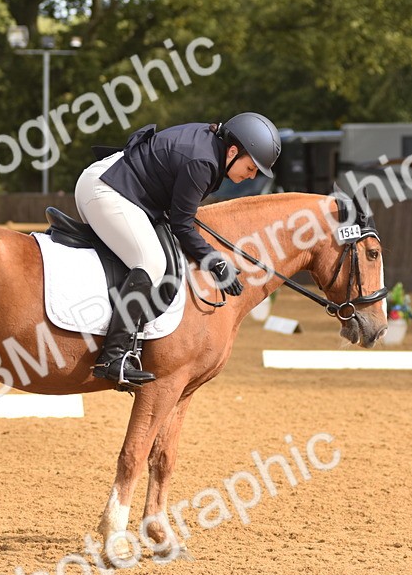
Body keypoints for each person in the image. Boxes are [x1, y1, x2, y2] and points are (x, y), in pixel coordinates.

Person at [74, 113, 281, 387]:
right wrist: (215, 262)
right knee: (151, 264)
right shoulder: (203, 161)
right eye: (251, 167)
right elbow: (183, 227)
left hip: (123, 187)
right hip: (107, 189)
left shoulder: (212, 151)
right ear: (233, 151)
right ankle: (113, 357)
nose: (251, 175)